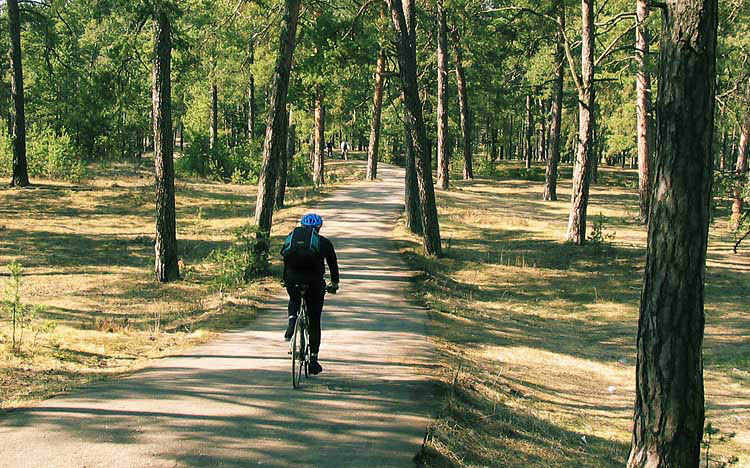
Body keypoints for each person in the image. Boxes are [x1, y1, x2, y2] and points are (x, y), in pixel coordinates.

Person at [281, 213, 339, 375]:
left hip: (292, 278)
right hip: (314, 282)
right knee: (314, 319)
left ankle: (292, 323)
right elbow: (333, 265)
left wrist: (284, 279)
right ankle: (313, 360)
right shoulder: (324, 242)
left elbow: (285, 260)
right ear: (319, 227)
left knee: (294, 298)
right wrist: (334, 283)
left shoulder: (291, 238)